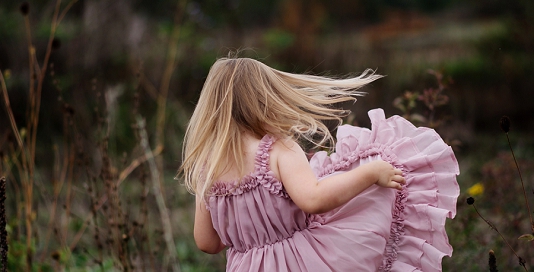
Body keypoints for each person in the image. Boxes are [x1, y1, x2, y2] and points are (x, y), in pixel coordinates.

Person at [180, 56, 460, 272]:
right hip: (301, 262)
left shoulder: (207, 168)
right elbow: (313, 199)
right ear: (266, 101)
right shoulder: (278, 150)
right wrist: (370, 173)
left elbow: (207, 243)